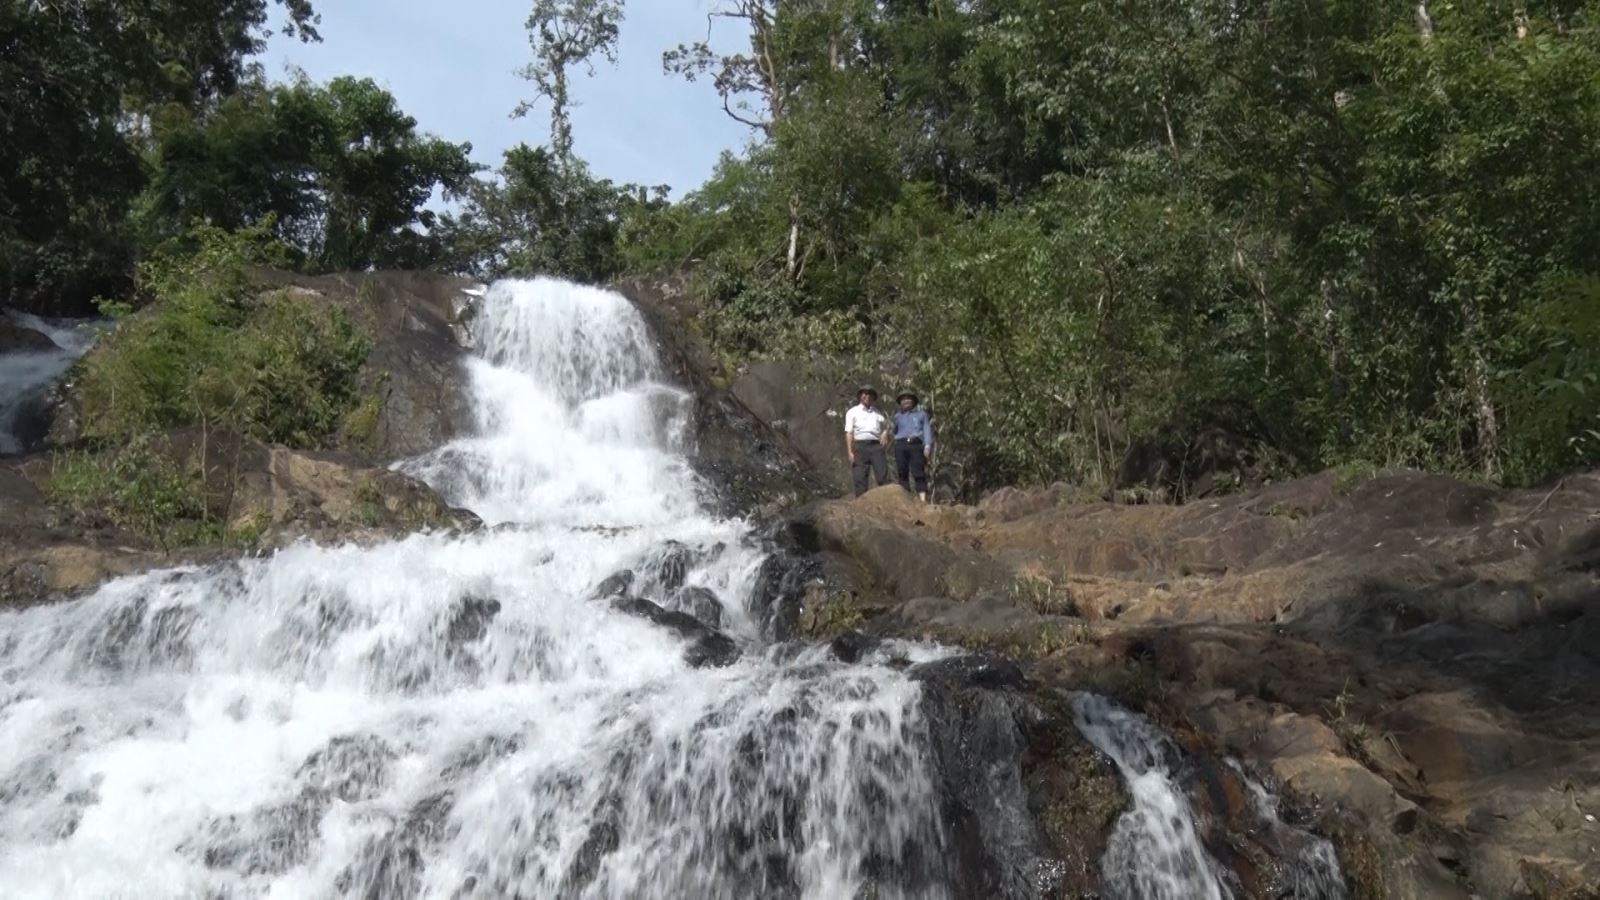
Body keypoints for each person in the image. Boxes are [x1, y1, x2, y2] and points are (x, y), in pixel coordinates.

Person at [844, 385, 891, 497]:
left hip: (876, 446)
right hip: (860, 446)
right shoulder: (852, 412)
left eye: (870, 394)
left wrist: (885, 433)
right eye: (864, 393)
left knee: (882, 475)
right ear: (860, 396)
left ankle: (886, 501)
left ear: (873, 398)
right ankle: (861, 505)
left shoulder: (878, 413)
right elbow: (849, 433)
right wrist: (850, 451)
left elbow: (887, 425)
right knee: (860, 477)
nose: (867, 396)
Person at [891, 390, 934, 502]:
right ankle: (906, 499)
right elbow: (893, 430)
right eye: (903, 399)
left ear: (914, 401)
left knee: (918, 471)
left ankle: (923, 499)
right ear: (900, 402)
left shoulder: (921, 415)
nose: (906, 401)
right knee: (902, 472)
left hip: (916, 444)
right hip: (901, 444)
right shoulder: (897, 417)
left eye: (908, 398)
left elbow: (926, 430)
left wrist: (927, 446)